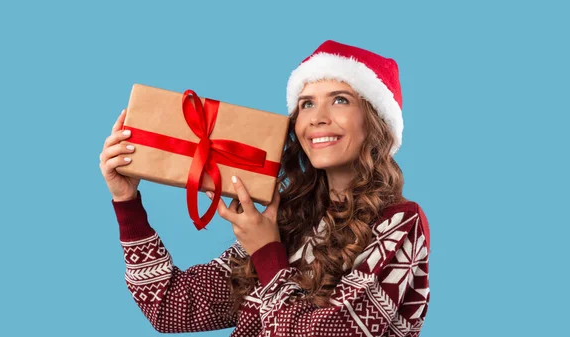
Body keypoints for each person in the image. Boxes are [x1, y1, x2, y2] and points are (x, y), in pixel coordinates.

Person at [99, 40, 431, 336]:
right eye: (306, 104)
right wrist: (126, 201)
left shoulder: (401, 223)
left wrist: (267, 253)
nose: (317, 118)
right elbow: (171, 309)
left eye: (340, 100)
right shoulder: (290, 220)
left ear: (375, 121)